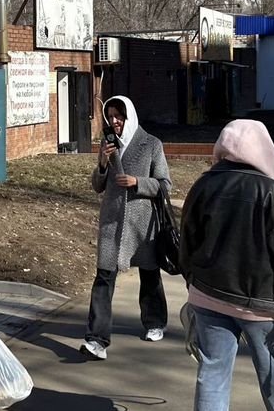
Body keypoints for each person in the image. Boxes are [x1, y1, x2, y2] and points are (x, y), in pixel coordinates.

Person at [180, 119, 274, 411]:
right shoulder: (273, 193)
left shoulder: (203, 185)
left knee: (212, 373)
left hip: (208, 296)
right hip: (262, 306)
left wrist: (193, 283)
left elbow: (187, 241)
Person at [79, 95, 171, 361]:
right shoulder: (108, 145)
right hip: (112, 223)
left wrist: (137, 182)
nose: (115, 121)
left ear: (129, 116)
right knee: (103, 278)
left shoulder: (151, 144)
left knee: (150, 274)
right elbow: (97, 186)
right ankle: (97, 340)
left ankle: (155, 322)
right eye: (110, 117)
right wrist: (101, 163)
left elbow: (165, 184)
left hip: (142, 223)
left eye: (119, 116)